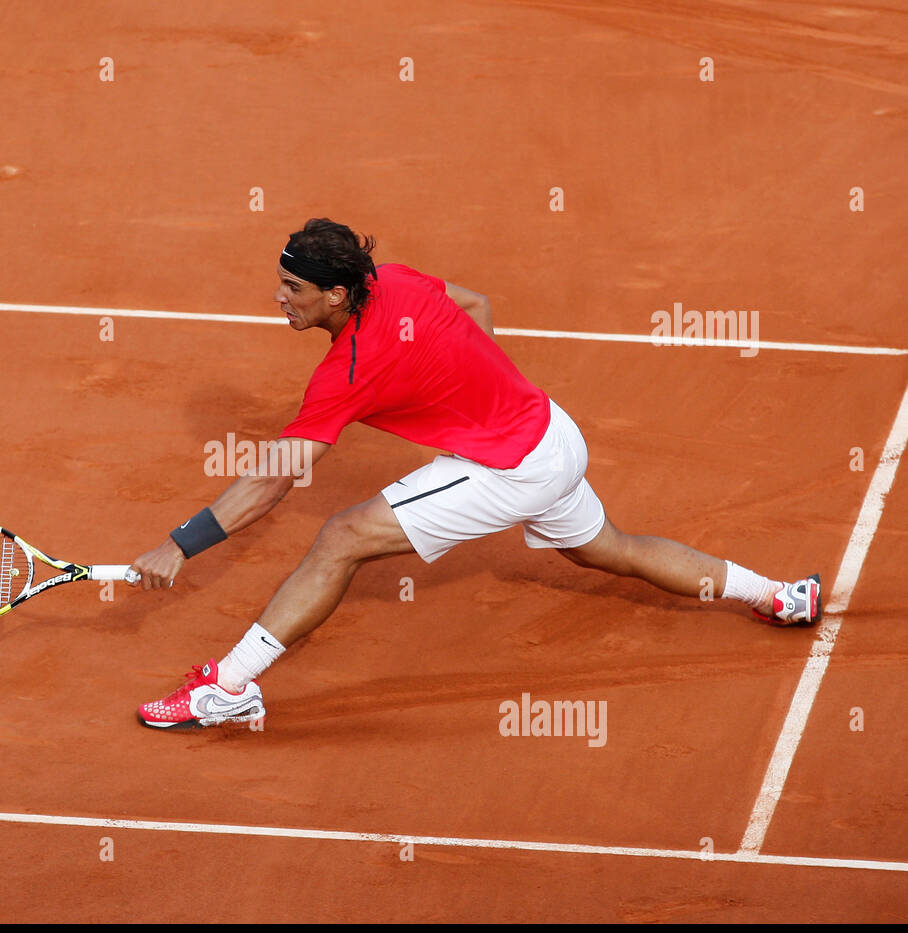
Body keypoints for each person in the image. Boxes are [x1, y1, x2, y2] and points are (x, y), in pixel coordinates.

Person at [131, 218, 820, 730]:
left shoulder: (346, 373)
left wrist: (180, 543)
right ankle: (780, 595)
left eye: (294, 288)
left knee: (342, 537)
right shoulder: (395, 278)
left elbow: (275, 478)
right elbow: (477, 305)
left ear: (337, 294)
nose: (279, 298)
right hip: (553, 432)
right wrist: (476, 397)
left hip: (510, 467)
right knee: (613, 549)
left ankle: (230, 686)